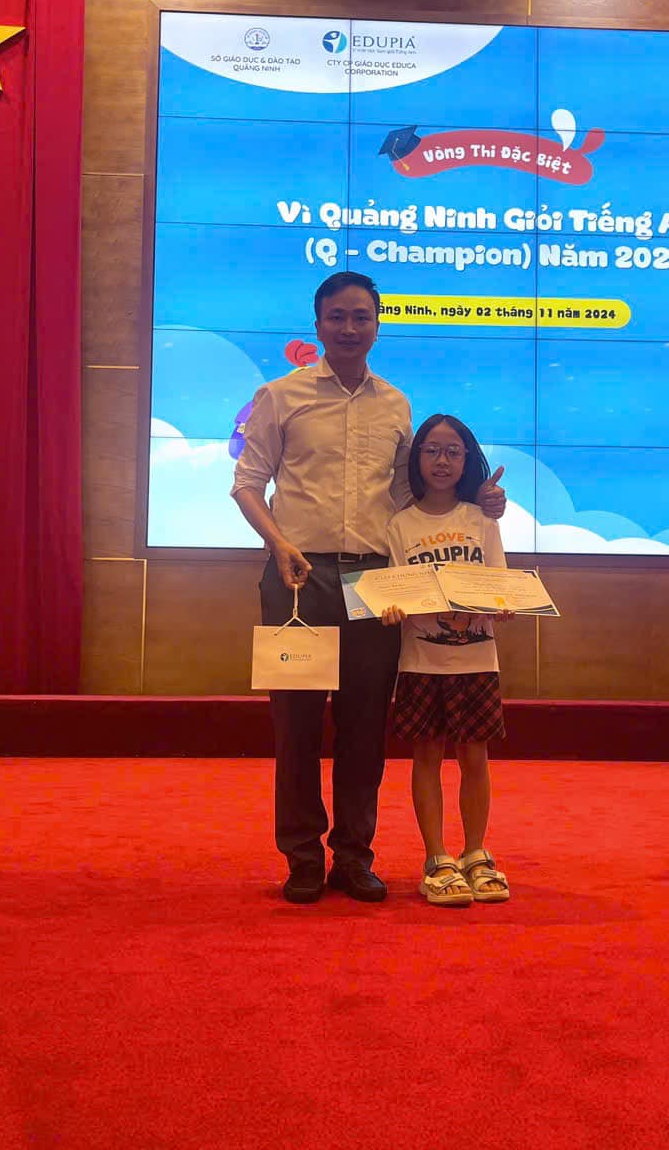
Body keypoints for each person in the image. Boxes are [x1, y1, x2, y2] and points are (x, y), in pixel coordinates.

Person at [231, 273, 506, 903]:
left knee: (364, 728)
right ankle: (302, 857)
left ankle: (354, 856)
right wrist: (279, 544)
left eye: (362, 317)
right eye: (337, 317)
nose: (350, 328)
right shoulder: (280, 395)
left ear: (378, 325)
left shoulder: (396, 405)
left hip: (376, 583)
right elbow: (247, 482)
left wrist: (480, 498)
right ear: (318, 324)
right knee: (296, 728)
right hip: (297, 580)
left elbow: (412, 490)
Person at [382, 414, 511, 906]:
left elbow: (499, 584)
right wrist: (391, 608)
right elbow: (395, 589)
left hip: (477, 660)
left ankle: (476, 852)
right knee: (427, 758)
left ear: (467, 459)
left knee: (475, 758)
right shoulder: (400, 525)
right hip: (421, 661)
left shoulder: (483, 520)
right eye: (432, 450)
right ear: (416, 458)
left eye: (453, 451)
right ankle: (436, 858)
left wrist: (504, 606)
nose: (442, 460)